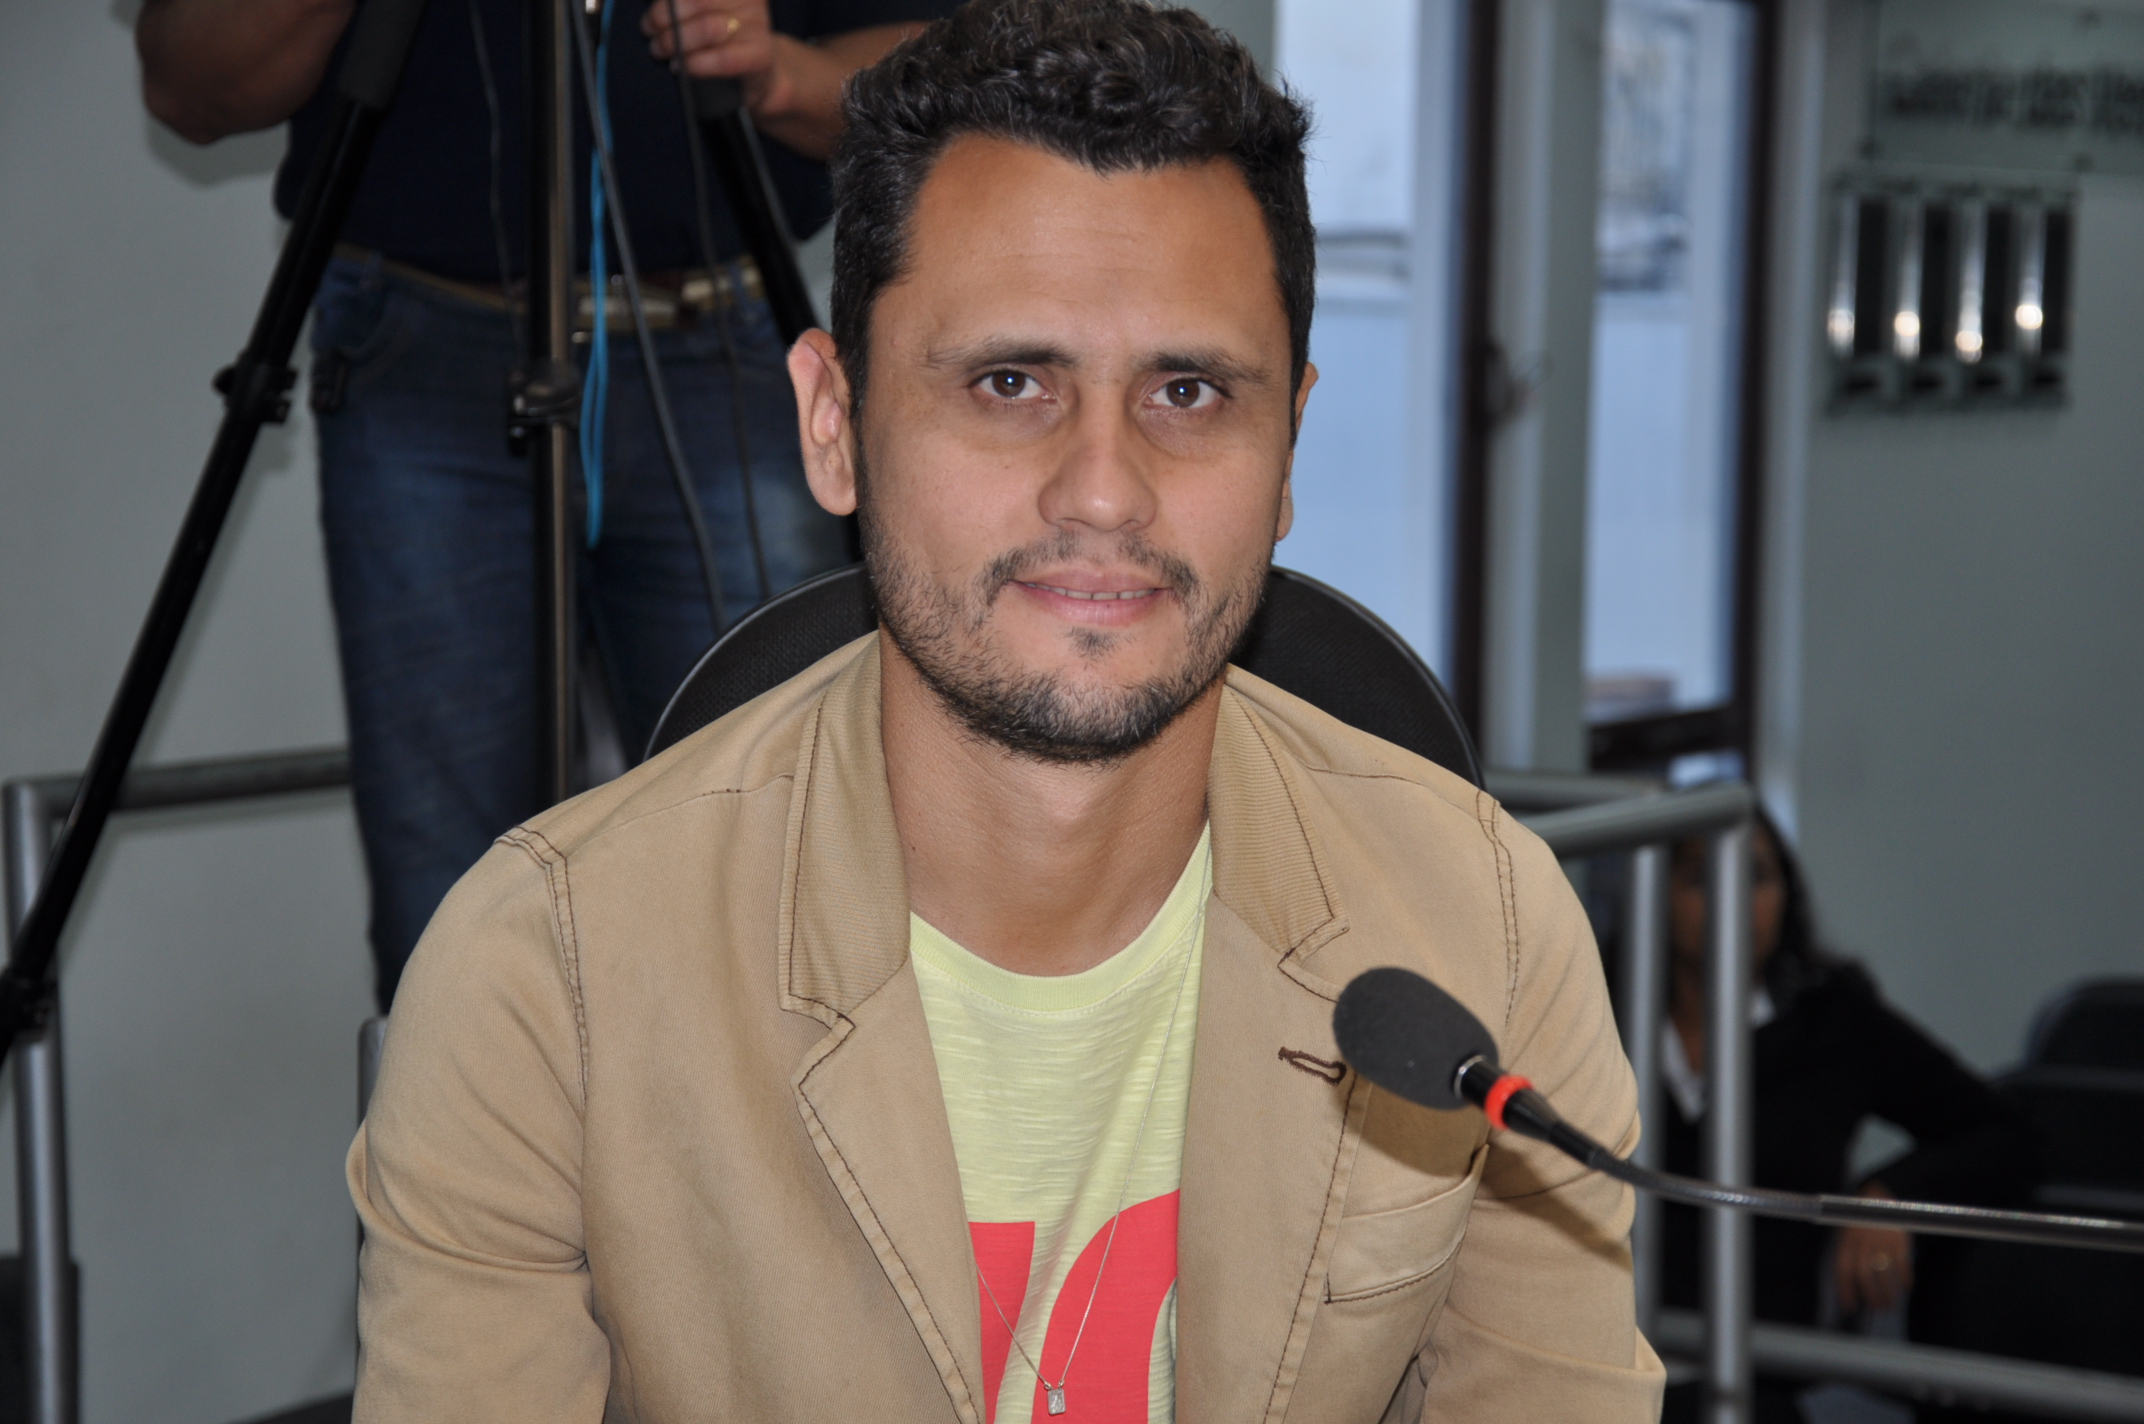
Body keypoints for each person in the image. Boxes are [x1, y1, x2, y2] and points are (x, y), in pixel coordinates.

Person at [349, 2, 1667, 1419]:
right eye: (1009, 381)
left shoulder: (1484, 929)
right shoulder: (545, 979)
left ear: (1288, 448)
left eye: (1187, 390)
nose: (1102, 489)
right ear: (834, 426)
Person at [135, 0, 956, 1010]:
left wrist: (777, 73)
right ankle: (473, 1113)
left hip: (721, 341)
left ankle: (783, 1112)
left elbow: (955, 75)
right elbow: (190, 85)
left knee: (783, 849)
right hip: (424, 349)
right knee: (446, 886)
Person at [1658, 809, 2035, 1424]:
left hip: (1766, 1369)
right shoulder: (1596, 1014)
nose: (1733, 899)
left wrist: (1891, 1194)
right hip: (1607, 1352)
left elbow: (2005, 1133)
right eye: (1702, 878)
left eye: (1756, 876)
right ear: (1655, 893)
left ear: (1787, 895)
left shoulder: (1834, 1021)